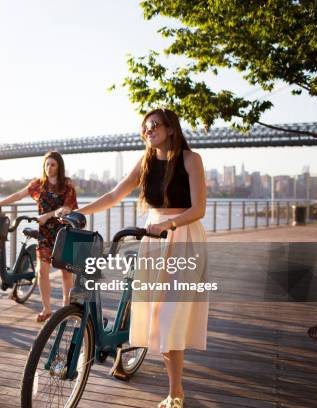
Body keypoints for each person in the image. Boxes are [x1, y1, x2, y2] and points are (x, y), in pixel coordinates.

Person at [57, 108, 207, 408]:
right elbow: (114, 195)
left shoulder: (191, 160)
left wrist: (168, 223)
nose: (148, 131)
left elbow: (199, 209)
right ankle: (127, 353)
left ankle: (176, 392)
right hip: (153, 239)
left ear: (171, 129)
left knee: (168, 318)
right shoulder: (146, 162)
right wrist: (78, 211)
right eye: (144, 127)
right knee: (149, 312)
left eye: (154, 126)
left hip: (182, 238)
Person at [0, 151, 78, 322]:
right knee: (42, 272)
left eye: (53, 164)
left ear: (59, 167)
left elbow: (67, 209)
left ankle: (67, 307)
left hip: (64, 232)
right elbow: (18, 195)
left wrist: (48, 215)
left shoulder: (67, 186)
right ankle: (47, 309)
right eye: (46, 164)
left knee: (65, 273)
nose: (49, 167)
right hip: (45, 234)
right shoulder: (38, 185)